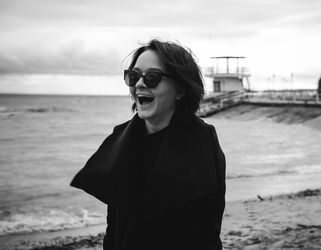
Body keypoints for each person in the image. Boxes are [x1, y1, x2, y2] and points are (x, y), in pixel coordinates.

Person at [70, 39, 226, 249]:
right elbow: (113, 228)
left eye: (152, 77)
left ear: (180, 89)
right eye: (133, 76)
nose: (140, 84)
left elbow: (206, 231)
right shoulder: (120, 138)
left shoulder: (202, 140)